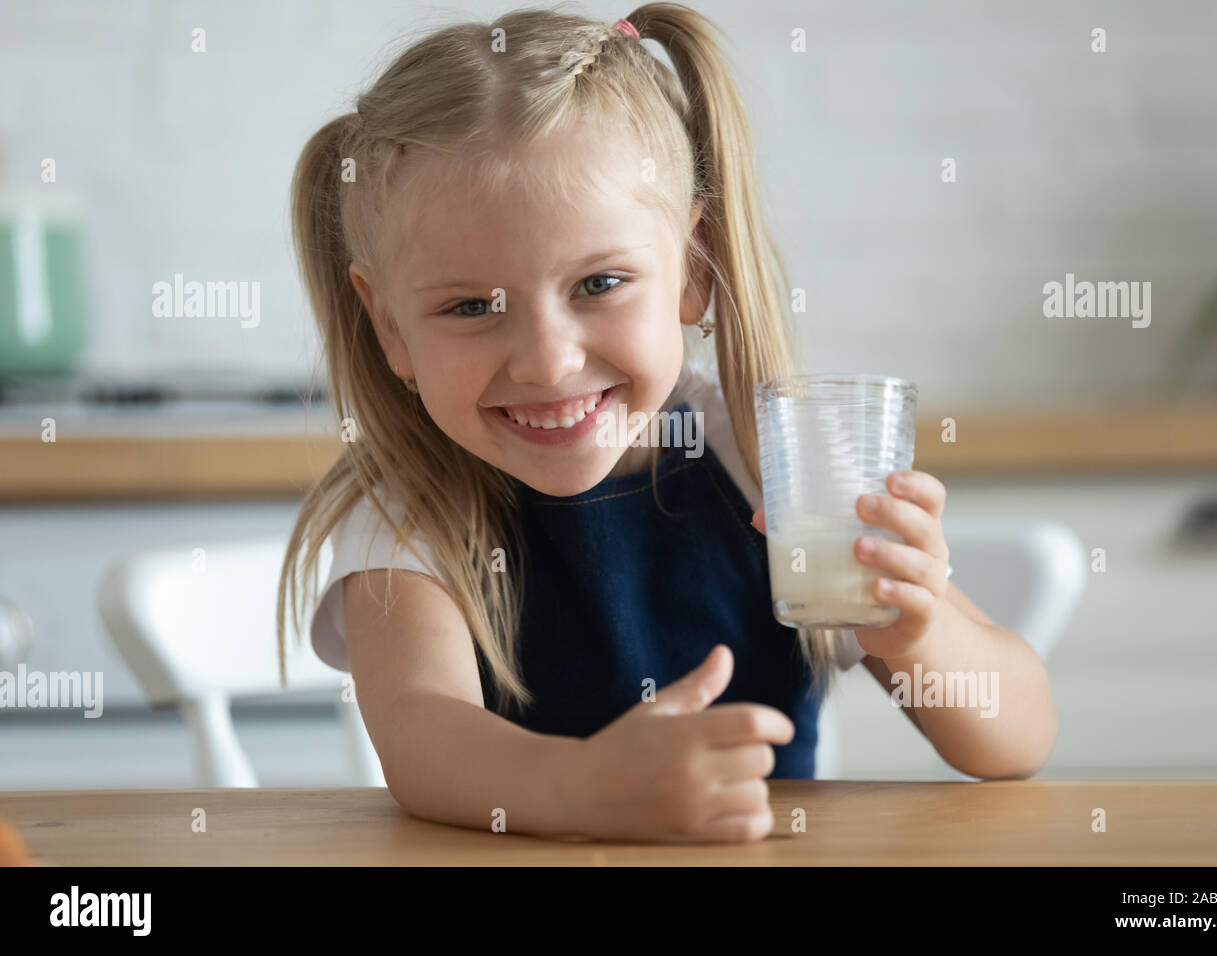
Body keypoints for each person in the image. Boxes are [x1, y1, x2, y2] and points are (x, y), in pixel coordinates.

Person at [278, 3, 1057, 844]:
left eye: (600, 284)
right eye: (471, 306)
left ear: (693, 267)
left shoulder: (768, 460)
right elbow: (422, 735)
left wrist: (919, 632)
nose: (545, 361)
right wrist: (585, 788)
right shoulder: (408, 508)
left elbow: (1017, 741)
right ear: (390, 326)